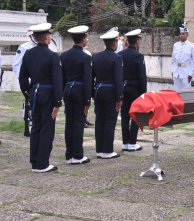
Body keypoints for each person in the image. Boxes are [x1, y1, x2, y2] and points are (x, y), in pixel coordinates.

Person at [19, 23, 63, 173]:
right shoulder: (52, 55)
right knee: (47, 128)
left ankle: (34, 161)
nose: (50, 37)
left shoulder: (28, 54)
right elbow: (57, 81)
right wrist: (58, 102)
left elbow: (22, 78)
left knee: (36, 127)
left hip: (35, 93)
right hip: (48, 94)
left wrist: (27, 93)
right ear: (46, 37)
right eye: (50, 35)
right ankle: (42, 163)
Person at [60, 25, 92, 165]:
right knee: (78, 123)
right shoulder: (85, 57)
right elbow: (87, 80)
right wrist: (87, 100)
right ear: (83, 39)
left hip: (67, 90)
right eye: (86, 37)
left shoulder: (64, 55)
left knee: (69, 123)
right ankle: (78, 155)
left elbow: (62, 77)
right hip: (79, 91)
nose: (87, 40)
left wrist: (63, 93)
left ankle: (69, 155)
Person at [92, 30, 123, 159]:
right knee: (110, 121)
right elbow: (118, 79)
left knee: (99, 120)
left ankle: (99, 149)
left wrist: (92, 93)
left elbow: (91, 77)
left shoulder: (96, 56)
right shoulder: (117, 57)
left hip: (98, 91)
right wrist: (119, 98)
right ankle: (107, 150)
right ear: (114, 43)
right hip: (111, 92)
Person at [118, 29, 147, 152]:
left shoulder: (120, 54)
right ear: (137, 41)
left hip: (123, 88)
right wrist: (144, 93)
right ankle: (132, 142)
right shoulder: (138, 56)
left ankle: (125, 142)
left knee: (124, 115)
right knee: (135, 115)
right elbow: (142, 76)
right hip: (135, 89)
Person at [13, 27, 36, 137]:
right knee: (28, 104)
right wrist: (24, 80)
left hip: (39, 81)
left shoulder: (42, 46)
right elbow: (16, 65)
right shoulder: (24, 47)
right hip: (28, 81)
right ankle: (27, 128)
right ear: (30, 36)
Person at [171, 26, 194, 90]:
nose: (181, 35)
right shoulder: (176, 45)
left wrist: (191, 74)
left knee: (186, 94)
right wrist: (172, 71)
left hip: (186, 73)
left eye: (183, 34)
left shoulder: (192, 46)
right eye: (180, 34)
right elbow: (173, 60)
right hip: (176, 73)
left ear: (187, 35)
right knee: (176, 93)